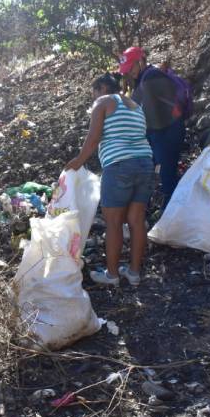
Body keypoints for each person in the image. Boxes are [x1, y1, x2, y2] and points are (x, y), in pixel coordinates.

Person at [65, 72, 154, 287]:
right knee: (136, 219)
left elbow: (94, 138)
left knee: (113, 222)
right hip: (145, 163)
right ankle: (134, 273)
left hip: (119, 166)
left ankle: (112, 275)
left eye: (94, 93)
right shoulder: (136, 106)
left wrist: (78, 161)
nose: (93, 98)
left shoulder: (103, 102)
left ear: (103, 88)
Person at [119, 46, 183, 210]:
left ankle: (172, 214)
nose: (130, 73)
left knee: (166, 174)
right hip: (162, 131)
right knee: (163, 173)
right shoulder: (144, 78)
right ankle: (170, 210)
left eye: (131, 67)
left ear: (140, 61)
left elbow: (148, 111)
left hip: (165, 132)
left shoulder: (150, 77)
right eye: (127, 70)